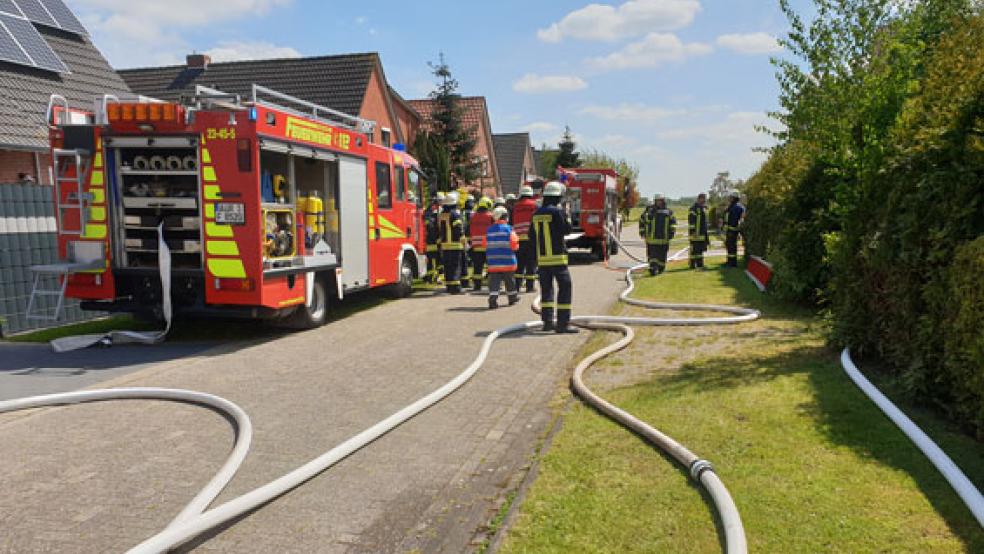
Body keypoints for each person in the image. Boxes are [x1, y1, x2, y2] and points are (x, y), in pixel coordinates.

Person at [529, 181, 577, 334]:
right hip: (558, 259)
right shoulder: (557, 212)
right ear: (557, 197)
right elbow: (567, 230)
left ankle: (548, 323)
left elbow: (531, 236)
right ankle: (563, 324)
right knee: (565, 288)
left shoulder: (536, 214)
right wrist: (567, 214)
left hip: (542, 260)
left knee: (546, 291)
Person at [485, 206, 520, 309]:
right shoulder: (509, 229)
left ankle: (493, 300)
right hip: (508, 262)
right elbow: (514, 245)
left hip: (493, 263)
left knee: (494, 283)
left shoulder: (489, 230)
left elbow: (484, 244)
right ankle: (512, 297)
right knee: (510, 281)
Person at [640, 193, 676, 276]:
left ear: (663, 201)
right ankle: (652, 269)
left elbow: (673, 223)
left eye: (660, 201)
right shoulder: (649, 211)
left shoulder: (668, 212)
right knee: (652, 255)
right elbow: (642, 220)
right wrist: (642, 232)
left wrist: (672, 232)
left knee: (662, 255)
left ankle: (660, 268)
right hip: (652, 239)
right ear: (655, 201)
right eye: (657, 201)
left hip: (664, 239)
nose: (659, 202)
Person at [511, 185, 538, 293]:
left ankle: (516, 286)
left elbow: (512, 222)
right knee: (531, 263)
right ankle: (530, 287)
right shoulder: (534, 205)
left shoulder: (515, 207)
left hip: (518, 239)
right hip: (531, 238)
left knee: (519, 264)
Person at [438, 192, 465, 293]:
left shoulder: (442, 215)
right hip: (455, 244)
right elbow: (458, 228)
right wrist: (462, 239)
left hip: (445, 245)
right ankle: (455, 287)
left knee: (447, 266)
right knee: (455, 266)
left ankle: (449, 286)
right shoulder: (455, 214)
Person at [468, 197, 495, 290]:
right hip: (488, 246)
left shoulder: (472, 217)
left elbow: (468, 230)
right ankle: (492, 284)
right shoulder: (491, 216)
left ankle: (477, 285)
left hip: (476, 246)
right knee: (491, 266)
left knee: (477, 268)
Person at [423, 192, 444, 283]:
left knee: (431, 259)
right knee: (438, 259)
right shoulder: (438, 211)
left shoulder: (428, 210)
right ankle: (437, 276)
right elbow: (438, 226)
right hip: (435, 239)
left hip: (429, 239)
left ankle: (431, 277)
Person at [723, 190, 745, 268]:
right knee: (729, 246)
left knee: (732, 247)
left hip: (733, 230)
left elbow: (741, 220)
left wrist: (738, 231)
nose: (729, 198)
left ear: (734, 197)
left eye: (731, 197)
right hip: (730, 230)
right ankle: (729, 261)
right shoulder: (732, 206)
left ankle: (732, 263)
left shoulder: (737, 207)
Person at [688, 193, 710, 270]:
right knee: (696, 250)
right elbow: (691, 221)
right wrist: (693, 232)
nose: (704, 200)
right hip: (696, 234)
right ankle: (698, 265)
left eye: (705, 199)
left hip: (702, 233)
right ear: (699, 199)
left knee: (697, 250)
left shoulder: (703, 208)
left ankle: (694, 265)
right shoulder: (694, 209)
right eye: (703, 198)